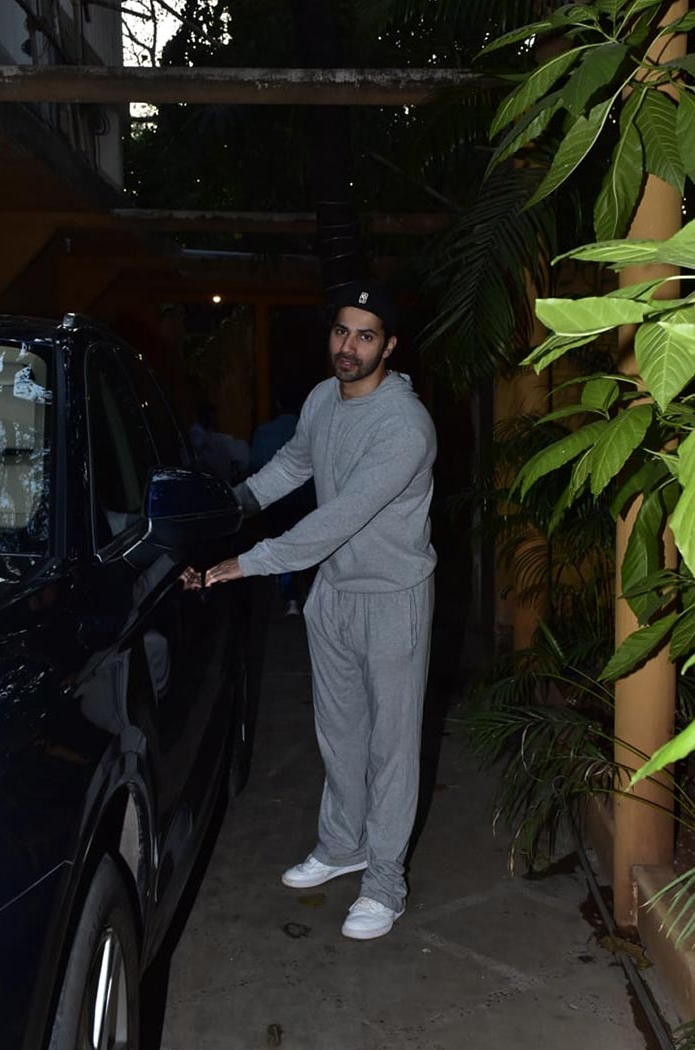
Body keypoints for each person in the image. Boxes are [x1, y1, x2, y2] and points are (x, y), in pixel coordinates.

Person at [205, 282, 437, 940]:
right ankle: (343, 847)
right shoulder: (320, 399)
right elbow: (295, 464)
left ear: (389, 346)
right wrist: (235, 505)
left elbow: (338, 517)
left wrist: (247, 560)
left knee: (392, 745)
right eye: (341, 331)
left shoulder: (405, 426)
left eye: (366, 336)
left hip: (391, 597)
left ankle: (385, 879)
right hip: (331, 594)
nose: (349, 346)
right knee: (340, 734)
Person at [249, 390, 313, 616]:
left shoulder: (264, 433)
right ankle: (309, 595)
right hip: (306, 501)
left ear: (277, 404)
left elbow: (255, 467)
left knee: (282, 547)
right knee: (308, 547)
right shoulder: (310, 430)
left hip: (275, 503)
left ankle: (291, 599)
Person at [188, 400, 250, 484]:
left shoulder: (211, 432)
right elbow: (198, 445)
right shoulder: (195, 431)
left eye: (214, 417)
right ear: (203, 417)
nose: (214, 420)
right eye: (210, 417)